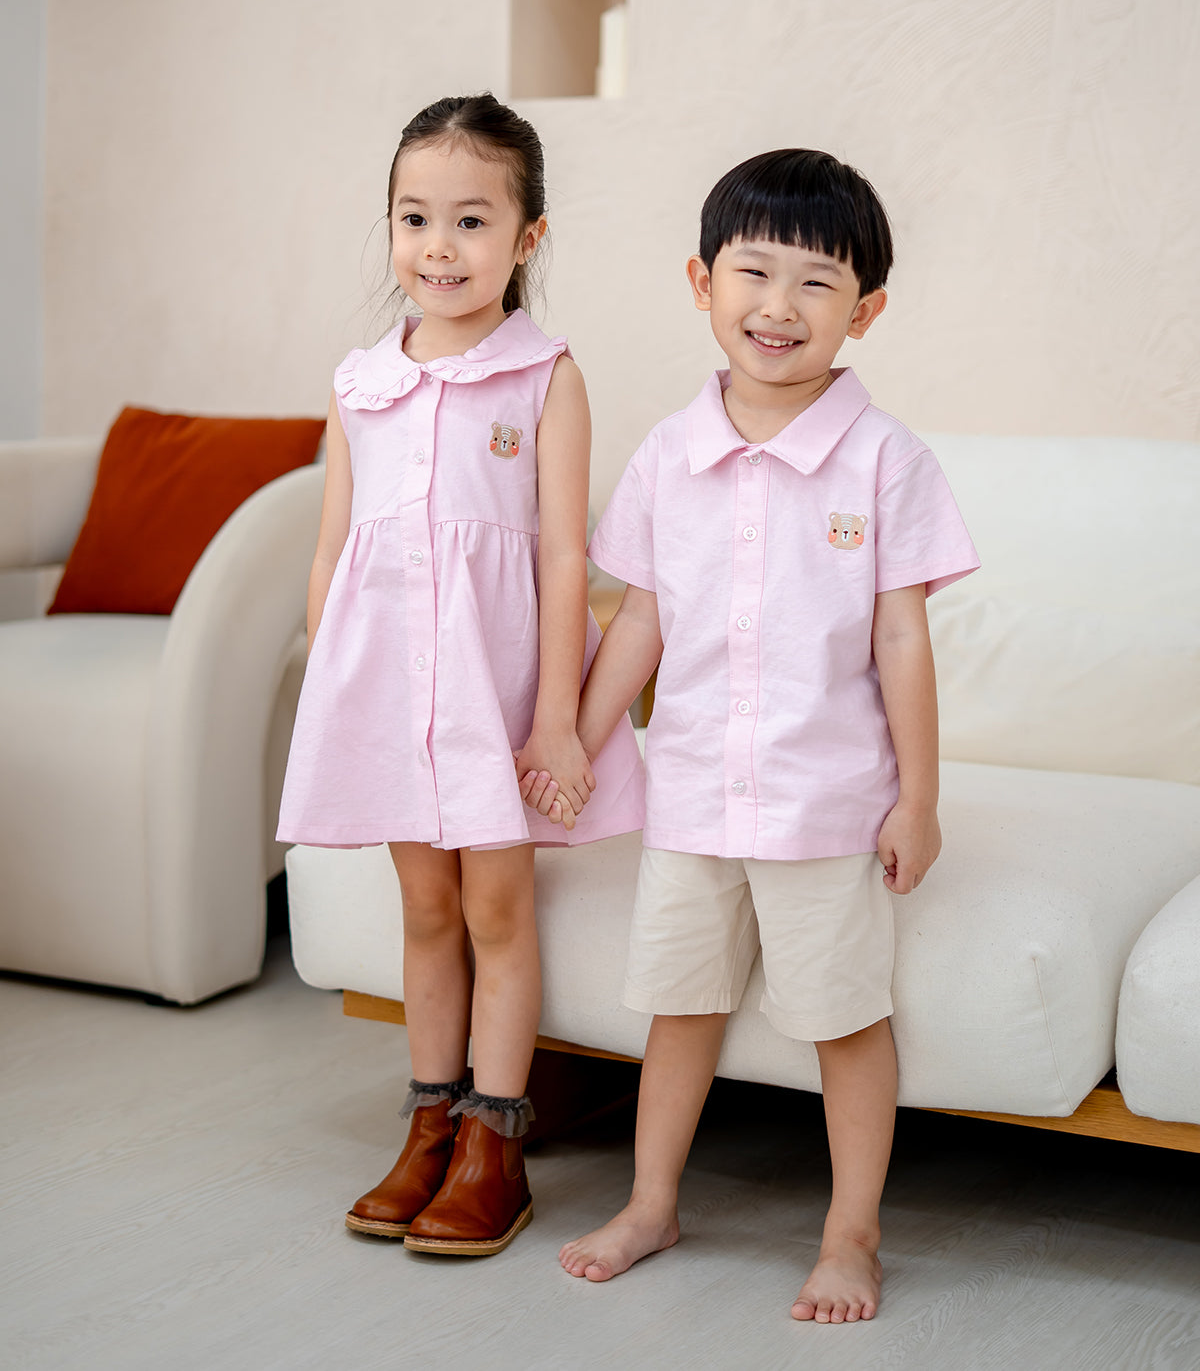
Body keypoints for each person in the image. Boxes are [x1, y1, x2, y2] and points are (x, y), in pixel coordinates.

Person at [534, 149, 979, 1318]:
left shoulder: (888, 463)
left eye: (817, 284)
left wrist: (917, 799)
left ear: (865, 312)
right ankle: (650, 1203)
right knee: (677, 1006)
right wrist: (575, 740)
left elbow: (902, 644)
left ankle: (852, 1233)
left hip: (824, 803)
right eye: (754, 272)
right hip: (690, 798)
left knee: (844, 1020)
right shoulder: (667, 456)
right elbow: (639, 623)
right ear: (701, 281)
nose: (779, 307)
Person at [278, 93, 644, 1258]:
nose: (440, 247)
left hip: (497, 703)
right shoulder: (359, 383)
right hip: (388, 698)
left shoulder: (546, 377)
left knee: (496, 907)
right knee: (426, 908)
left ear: (527, 239)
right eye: (415, 217)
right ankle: (428, 1123)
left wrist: (556, 726)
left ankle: (497, 1141)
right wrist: (330, 689)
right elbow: (336, 551)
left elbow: (560, 556)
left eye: (473, 221)